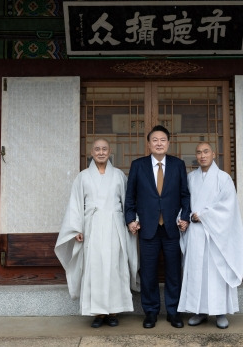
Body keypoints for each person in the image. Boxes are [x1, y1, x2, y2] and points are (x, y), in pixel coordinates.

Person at [54, 138, 139, 328]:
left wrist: (132, 221)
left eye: (104, 149)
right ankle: (99, 312)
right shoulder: (82, 177)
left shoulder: (119, 176)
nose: (101, 152)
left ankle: (114, 311)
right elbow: (75, 204)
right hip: (91, 226)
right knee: (94, 267)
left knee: (115, 266)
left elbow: (128, 203)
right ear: (91, 153)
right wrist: (76, 228)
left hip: (115, 226)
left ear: (110, 152)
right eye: (97, 149)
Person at [125, 125, 190, 329]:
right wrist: (130, 219)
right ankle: (151, 312)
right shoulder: (138, 165)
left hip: (172, 228)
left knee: (173, 272)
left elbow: (185, 195)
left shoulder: (178, 165)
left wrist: (185, 217)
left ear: (168, 143)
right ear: (149, 144)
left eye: (163, 140)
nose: (159, 143)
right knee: (149, 273)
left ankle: (173, 312)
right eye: (155, 140)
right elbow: (130, 198)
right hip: (148, 228)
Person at [178, 142, 243, 329]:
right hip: (195, 233)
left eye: (206, 152)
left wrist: (205, 215)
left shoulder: (224, 179)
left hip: (216, 234)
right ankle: (198, 310)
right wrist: (183, 218)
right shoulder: (190, 178)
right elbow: (183, 202)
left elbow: (228, 207)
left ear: (213, 154)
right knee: (197, 272)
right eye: (198, 152)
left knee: (216, 273)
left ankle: (220, 312)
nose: (202, 156)